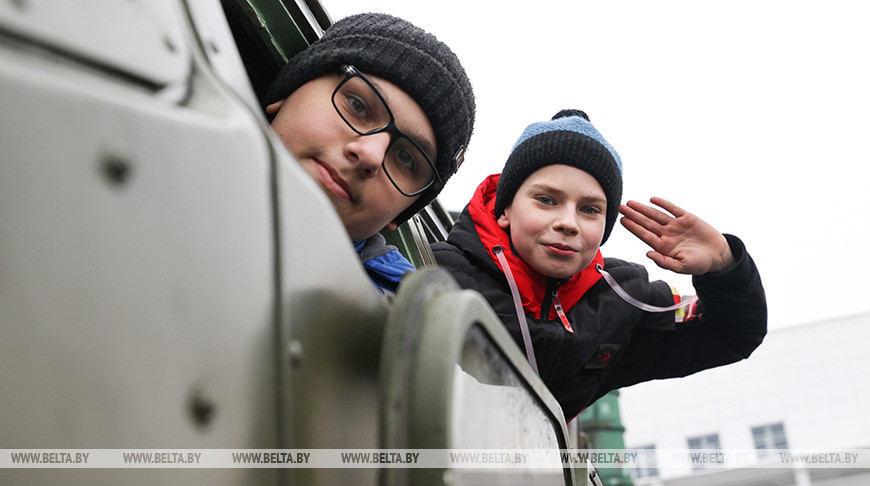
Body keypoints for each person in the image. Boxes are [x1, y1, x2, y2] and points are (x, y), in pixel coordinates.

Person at [432, 109, 766, 419]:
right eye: (546, 200)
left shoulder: (625, 299)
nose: (568, 222)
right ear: (505, 209)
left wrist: (724, 266)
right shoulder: (438, 275)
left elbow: (732, 335)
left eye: (590, 209)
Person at [263, 13, 475, 292]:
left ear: (397, 216)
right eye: (358, 106)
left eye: (406, 159)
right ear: (289, 90)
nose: (371, 155)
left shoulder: (398, 324)